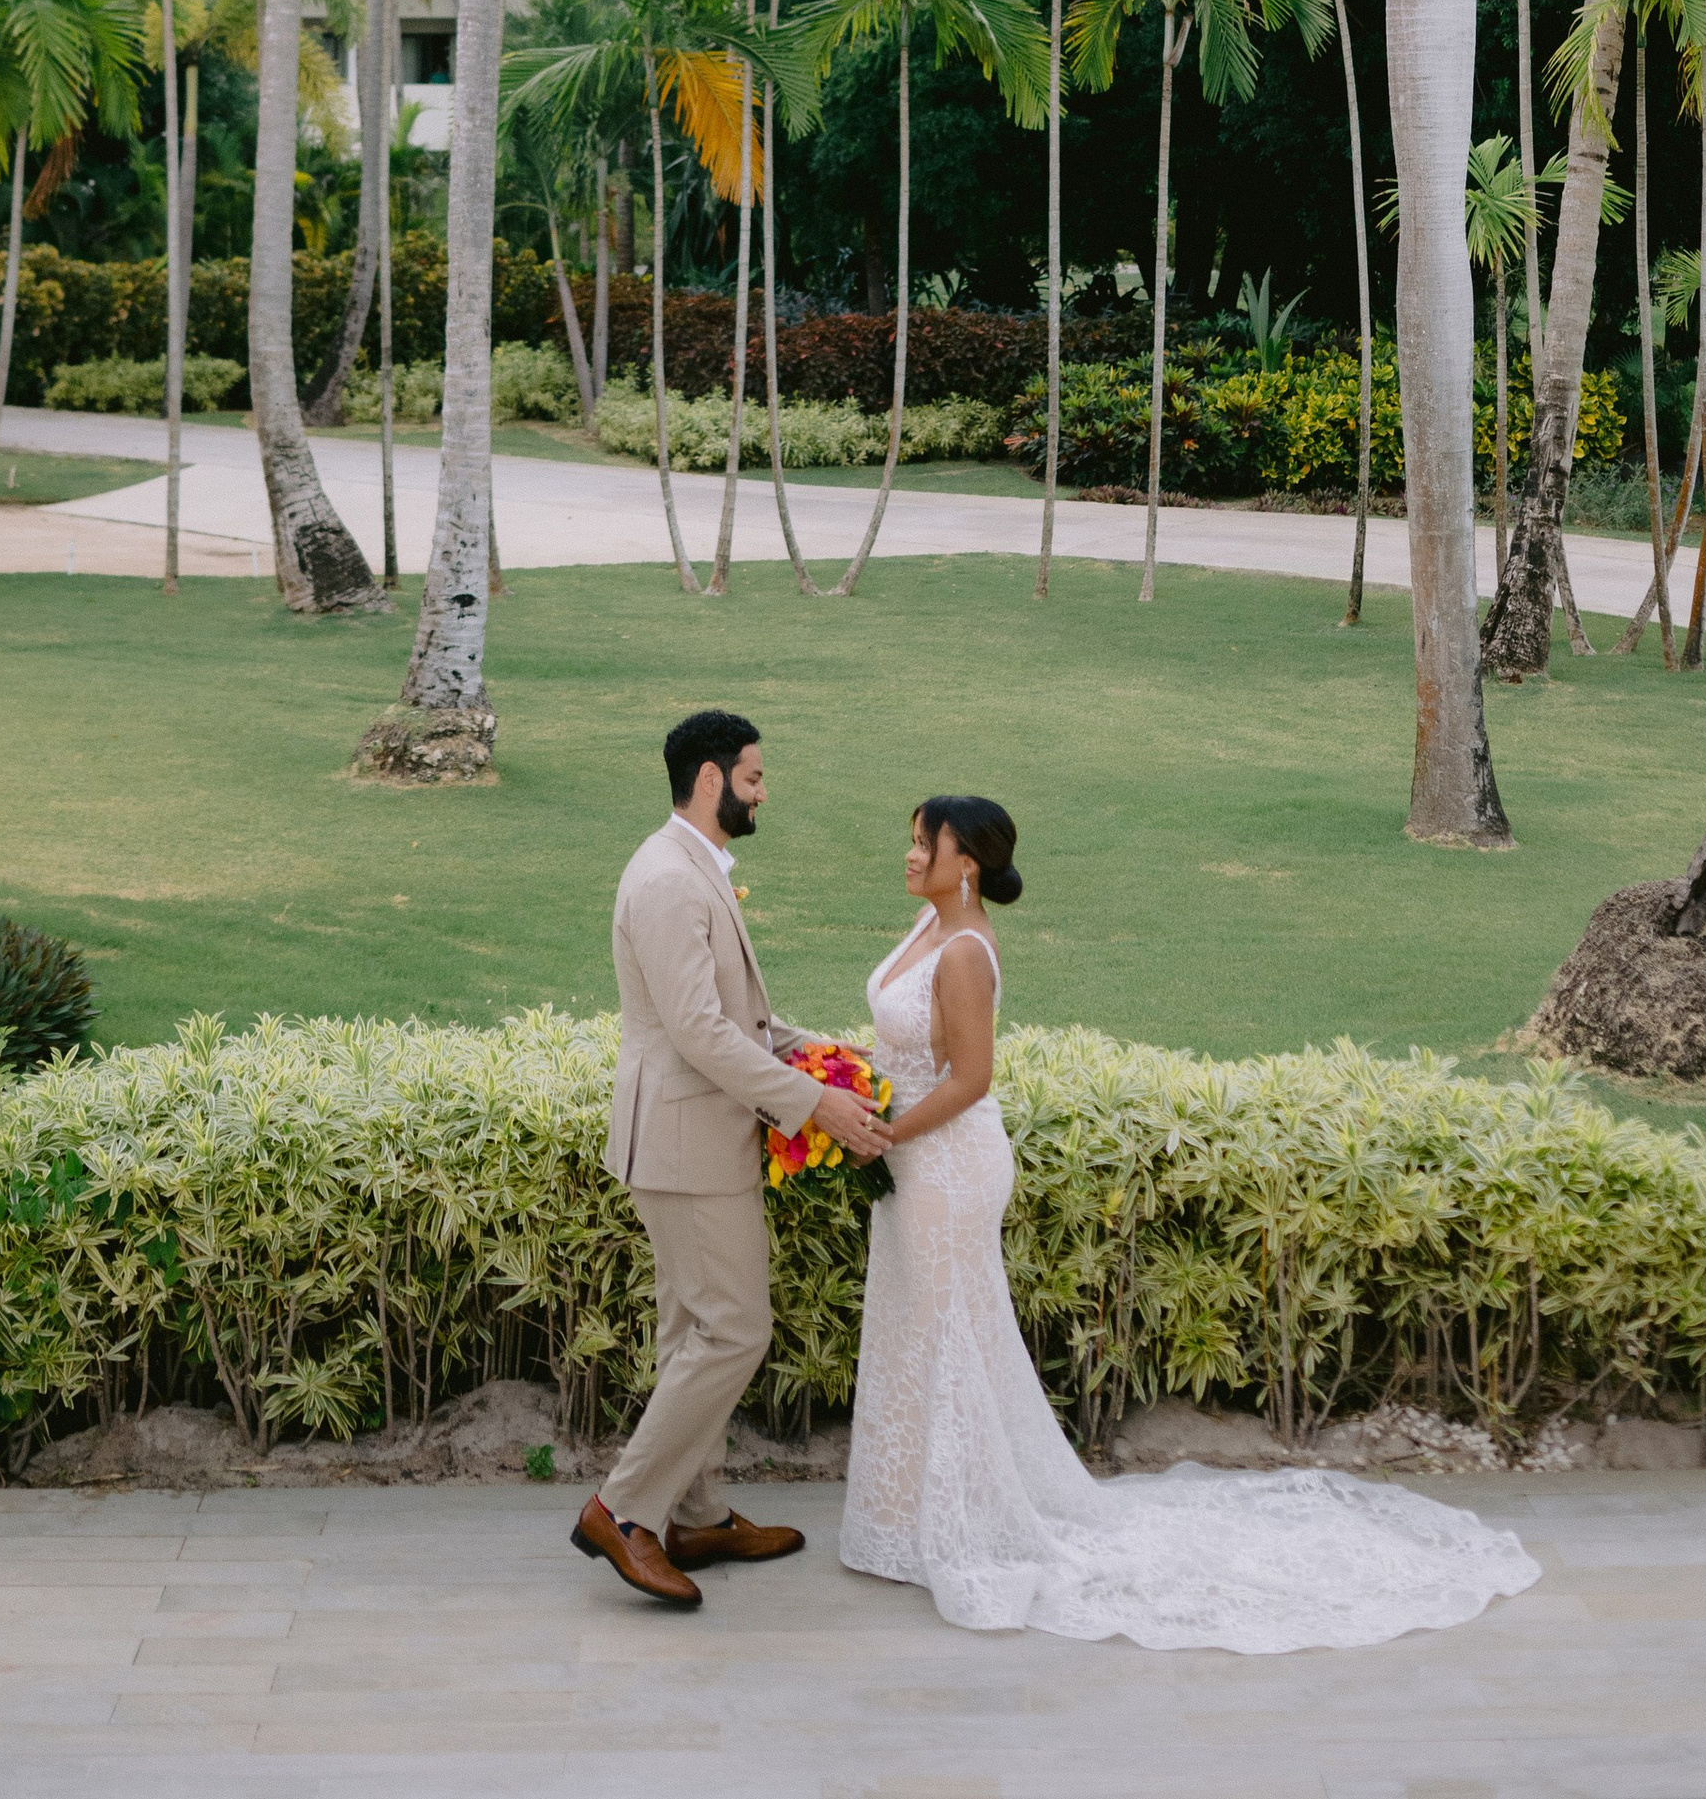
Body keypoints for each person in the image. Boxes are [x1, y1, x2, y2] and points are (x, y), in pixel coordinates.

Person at [840, 794, 1541, 1652]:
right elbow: (902, 1054)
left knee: (948, 1336)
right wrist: (833, 1075)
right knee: (917, 1329)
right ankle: (904, 1516)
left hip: (946, 1163)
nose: (910, 854)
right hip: (912, 1158)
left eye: (924, 843)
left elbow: (972, 1077)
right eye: (911, 839)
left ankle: (958, 1527)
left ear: (968, 864)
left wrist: (882, 1131)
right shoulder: (926, 928)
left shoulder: (964, 951)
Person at [573, 705, 890, 1613]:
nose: (761, 792)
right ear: (709, 780)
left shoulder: (689, 868)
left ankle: (698, 1514)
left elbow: (740, 1018)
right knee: (735, 1330)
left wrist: (823, 1053)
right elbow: (700, 1031)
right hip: (686, 1140)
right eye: (752, 777)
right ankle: (625, 1508)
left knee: (690, 1333)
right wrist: (811, 1098)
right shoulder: (669, 880)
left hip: (687, 1135)